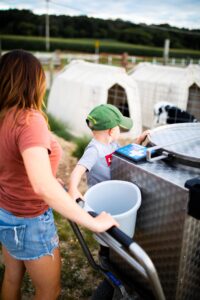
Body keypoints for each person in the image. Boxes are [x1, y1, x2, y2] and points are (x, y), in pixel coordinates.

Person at [0, 50, 119, 300]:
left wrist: (45, 176)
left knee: (12, 277)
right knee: (49, 291)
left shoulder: (4, 117)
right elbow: (42, 186)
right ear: (34, 82)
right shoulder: (29, 120)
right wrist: (93, 222)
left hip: (6, 212)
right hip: (30, 220)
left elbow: (12, 165)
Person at [68, 104, 148, 266]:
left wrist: (137, 142)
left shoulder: (111, 144)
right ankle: (105, 259)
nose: (120, 131)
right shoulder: (94, 150)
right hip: (101, 200)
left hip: (114, 193)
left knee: (115, 230)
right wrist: (72, 189)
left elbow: (121, 155)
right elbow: (78, 170)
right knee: (106, 235)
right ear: (111, 131)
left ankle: (114, 256)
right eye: (119, 128)